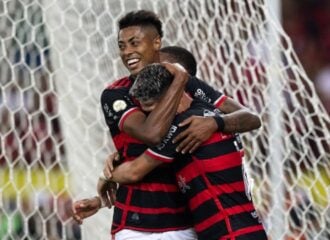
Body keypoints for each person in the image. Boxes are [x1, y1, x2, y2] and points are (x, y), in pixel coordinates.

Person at [72, 10, 261, 240]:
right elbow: (150, 135)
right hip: (137, 226)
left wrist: (214, 122)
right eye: (122, 45)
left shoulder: (188, 95)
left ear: (157, 44)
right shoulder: (117, 94)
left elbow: (251, 117)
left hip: (189, 224)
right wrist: (105, 185)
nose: (127, 51)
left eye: (134, 43)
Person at [105, 63, 268, 240]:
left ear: (172, 96)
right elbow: (251, 118)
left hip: (228, 232)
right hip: (248, 228)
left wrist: (105, 176)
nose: (153, 117)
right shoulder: (210, 111)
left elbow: (134, 172)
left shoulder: (183, 127)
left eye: (153, 109)